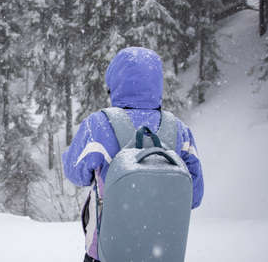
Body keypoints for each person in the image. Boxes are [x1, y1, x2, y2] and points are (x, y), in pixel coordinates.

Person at [62, 47, 204, 262]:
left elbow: (76, 174)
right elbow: (194, 195)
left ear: (114, 84)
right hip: (161, 253)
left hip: (108, 251)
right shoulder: (178, 129)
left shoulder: (99, 124)